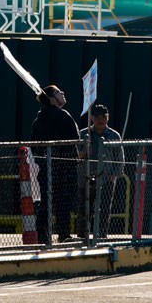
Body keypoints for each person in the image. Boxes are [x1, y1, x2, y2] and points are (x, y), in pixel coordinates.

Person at [30, 84, 80, 244]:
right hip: (65, 167)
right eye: (59, 92)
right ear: (52, 99)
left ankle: (42, 234)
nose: (63, 93)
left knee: (46, 200)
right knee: (64, 201)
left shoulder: (38, 120)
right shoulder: (62, 116)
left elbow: (34, 146)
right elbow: (74, 139)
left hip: (46, 167)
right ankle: (64, 234)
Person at [78, 103, 124, 238]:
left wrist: (115, 175)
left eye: (103, 116)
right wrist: (84, 153)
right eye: (97, 116)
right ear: (92, 118)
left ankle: (102, 235)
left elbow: (120, 158)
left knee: (104, 208)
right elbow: (75, 155)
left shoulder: (114, 135)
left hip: (106, 178)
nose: (100, 119)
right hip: (85, 178)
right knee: (84, 208)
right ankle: (82, 236)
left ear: (108, 118)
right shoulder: (83, 134)